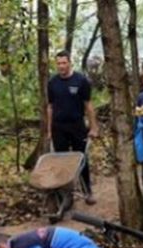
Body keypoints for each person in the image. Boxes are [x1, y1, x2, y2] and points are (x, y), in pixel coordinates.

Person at [47, 51, 99, 204]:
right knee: (61, 161)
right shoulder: (52, 82)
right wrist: (49, 130)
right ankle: (65, 195)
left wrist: (94, 127)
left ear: (70, 63)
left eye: (64, 63)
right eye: (58, 63)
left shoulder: (81, 80)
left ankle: (87, 191)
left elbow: (88, 105)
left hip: (77, 126)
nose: (61, 66)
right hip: (59, 127)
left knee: (81, 159)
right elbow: (49, 107)